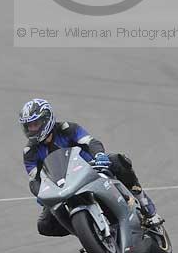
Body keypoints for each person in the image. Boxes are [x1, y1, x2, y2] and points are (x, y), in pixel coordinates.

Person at [19, 98, 160, 237]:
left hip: (89, 169)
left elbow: (91, 142)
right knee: (44, 226)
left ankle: (146, 206)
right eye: (29, 126)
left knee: (119, 161)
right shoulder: (30, 152)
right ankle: (88, 232)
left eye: (35, 124)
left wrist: (99, 155)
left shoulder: (67, 129)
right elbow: (34, 180)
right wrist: (41, 194)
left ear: (46, 120)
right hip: (61, 188)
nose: (32, 129)